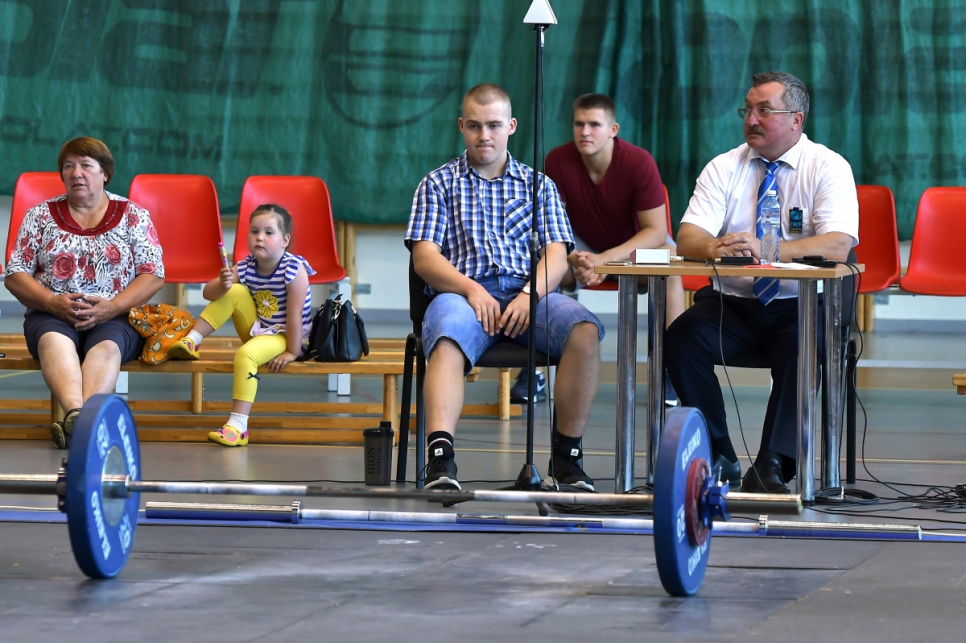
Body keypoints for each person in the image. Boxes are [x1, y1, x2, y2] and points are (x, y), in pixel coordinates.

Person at [665, 71, 858, 493]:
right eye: (747, 110)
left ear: (796, 119)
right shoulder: (723, 166)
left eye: (764, 111)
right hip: (733, 305)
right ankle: (718, 454)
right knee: (681, 338)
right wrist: (716, 246)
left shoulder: (828, 167)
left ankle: (773, 463)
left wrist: (767, 249)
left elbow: (838, 244)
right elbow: (688, 236)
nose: (751, 120)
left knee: (804, 345)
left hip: (800, 306)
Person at [405, 83, 605, 491]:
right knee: (446, 334)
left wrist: (530, 295)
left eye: (494, 125)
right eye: (474, 126)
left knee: (584, 331)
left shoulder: (538, 185)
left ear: (511, 126)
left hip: (526, 294)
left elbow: (556, 256)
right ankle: (440, 461)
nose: (484, 135)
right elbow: (424, 258)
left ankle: (567, 461)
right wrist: (471, 290)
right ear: (461, 126)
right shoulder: (437, 184)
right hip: (462, 295)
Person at [517, 92, 685, 406]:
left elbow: (655, 231)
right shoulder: (557, 160)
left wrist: (603, 261)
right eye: (579, 124)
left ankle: (671, 373)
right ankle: (532, 371)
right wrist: (577, 259)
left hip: (633, 253)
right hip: (583, 252)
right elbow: (551, 229)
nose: (585, 132)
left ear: (613, 130)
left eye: (594, 124)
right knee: (541, 260)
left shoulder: (638, 161)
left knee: (671, 263)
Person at [4, 136, 165, 448]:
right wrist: (52, 302)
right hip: (50, 313)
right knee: (53, 341)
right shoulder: (40, 216)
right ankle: (80, 417)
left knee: (108, 347)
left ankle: (78, 423)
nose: (76, 173)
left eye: (86, 166)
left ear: (105, 173)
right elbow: (15, 274)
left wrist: (112, 307)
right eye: (68, 166)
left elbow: (153, 274)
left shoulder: (133, 215)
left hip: (116, 316)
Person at [167, 204, 315, 447]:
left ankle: (237, 427)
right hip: (260, 330)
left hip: (287, 335)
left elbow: (295, 315)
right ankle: (192, 340)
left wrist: (292, 351)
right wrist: (223, 283)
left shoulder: (294, 269)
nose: (259, 237)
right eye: (254, 231)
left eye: (269, 232)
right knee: (234, 291)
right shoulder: (247, 265)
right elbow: (208, 293)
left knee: (246, 355)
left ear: (285, 240)